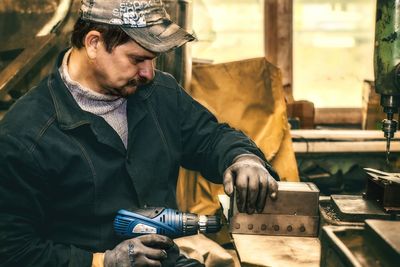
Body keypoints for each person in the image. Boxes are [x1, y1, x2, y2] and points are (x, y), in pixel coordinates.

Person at [0, 0, 279, 266]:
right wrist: (102, 262)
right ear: (94, 43)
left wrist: (242, 157)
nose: (148, 73)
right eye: (137, 59)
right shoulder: (26, 135)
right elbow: (13, 250)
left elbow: (210, 137)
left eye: (153, 59)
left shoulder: (159, 93)